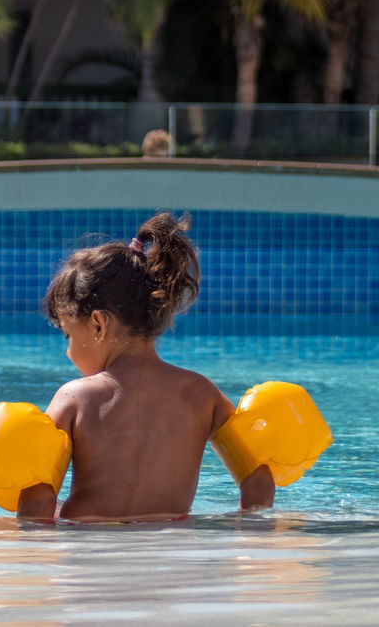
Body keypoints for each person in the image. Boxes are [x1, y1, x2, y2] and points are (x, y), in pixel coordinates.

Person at [16, 212, 274, 522]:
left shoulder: (75, 398)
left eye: (69, 335)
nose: (68, 352)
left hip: (87, 548)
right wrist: (251, 534)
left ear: (99, 324)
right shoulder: (202, 393)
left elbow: (40, 496)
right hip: (170, 550)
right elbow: (258, 479)